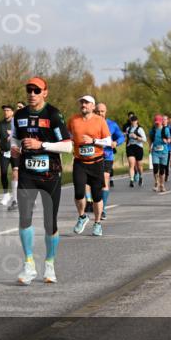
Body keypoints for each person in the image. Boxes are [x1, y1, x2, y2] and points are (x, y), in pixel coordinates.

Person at [11, 77, 72, 285]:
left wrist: (42, 145)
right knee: (24, 218)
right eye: (29, 90)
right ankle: (29, 265)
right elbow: (15, 138)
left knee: (49, 222)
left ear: (45, 92)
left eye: (37, 90)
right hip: (27, 173)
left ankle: (49, 264)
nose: (32, 94)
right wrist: (15, 147)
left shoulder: (53, 114)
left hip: (50, 174)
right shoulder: (19, 115)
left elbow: (68, 146)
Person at [68, 95, 111, 236]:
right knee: (79, 193)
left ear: (93, 106)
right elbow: (67, 135)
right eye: (82, 102)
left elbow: (108, 141)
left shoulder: (100, 121)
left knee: (97, 196)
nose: (83, 105)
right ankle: (82, 216)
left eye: (86, 103)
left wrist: (93, 141)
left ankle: (97, 223)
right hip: (80, 162)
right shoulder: (73, 120)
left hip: (96, 162)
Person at [95, 102, 124, 221]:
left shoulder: (112, 124)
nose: (100, 113)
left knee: (105, 179)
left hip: (107, 156)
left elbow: (121, 137)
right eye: (98, 111)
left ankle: (102, 209)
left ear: (105, 112)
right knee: (94, 182)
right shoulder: (90, 123)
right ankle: (93, 202)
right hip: (93, 156)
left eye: (102, 111)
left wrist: (116, 142)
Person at [0, 104, 18, 209]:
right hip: (4, 152)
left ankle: (16, 196)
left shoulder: (16, 123)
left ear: (12, 112)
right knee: (3, 173)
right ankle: (6, 194)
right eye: (4, 110)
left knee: (16, 173)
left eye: (8, 110)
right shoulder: (1, 123)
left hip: (15, 152)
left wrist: (12, 134)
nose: (6, 112)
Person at [148, 115, 171, 193]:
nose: (157, 124)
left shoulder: (165, 130)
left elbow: (169, 139)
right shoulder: (153, 130)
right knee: (155, 168)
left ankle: (162, 185)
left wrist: (166, 141)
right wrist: (149, 147)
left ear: (161, 122)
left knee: (162, 170)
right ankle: (156, 183)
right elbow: (150, 139)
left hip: (164, 152)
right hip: (155, 152)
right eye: (156, 122)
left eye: (158, 122)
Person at [124, 114, 146, 187]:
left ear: (137, 121)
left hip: (138, 147)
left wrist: (136, 137)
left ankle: (141, 177)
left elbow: (144, 140)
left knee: (139, 165)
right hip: (130, 147)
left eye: (134, 120)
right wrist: (125, 138)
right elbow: (126, 138)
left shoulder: (140, 129)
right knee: (131, 164)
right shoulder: (128, 129)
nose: (133, 122)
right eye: (132, 121)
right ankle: (131, 180)